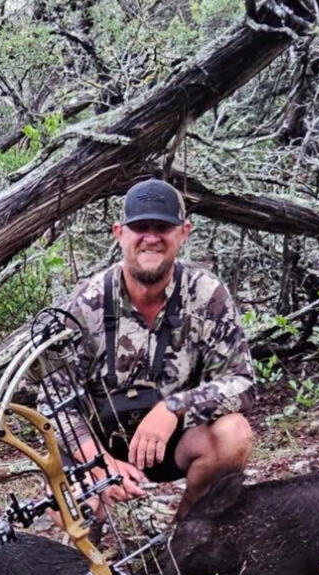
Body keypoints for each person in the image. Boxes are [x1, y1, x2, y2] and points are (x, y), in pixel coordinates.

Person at [55, 177, 255, 517]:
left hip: (174, 442)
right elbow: (54, 401)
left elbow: (242, 382)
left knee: (234, 434)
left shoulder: (206, 294)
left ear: (184, 232)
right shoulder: (86, 303)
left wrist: (172, 408)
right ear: (119, 233)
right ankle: (84, 558)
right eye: (140, 228)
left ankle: (185, 538)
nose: (151, 238)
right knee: (75, 506)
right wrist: (97, 460)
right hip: (99, 443)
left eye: (162, 227)